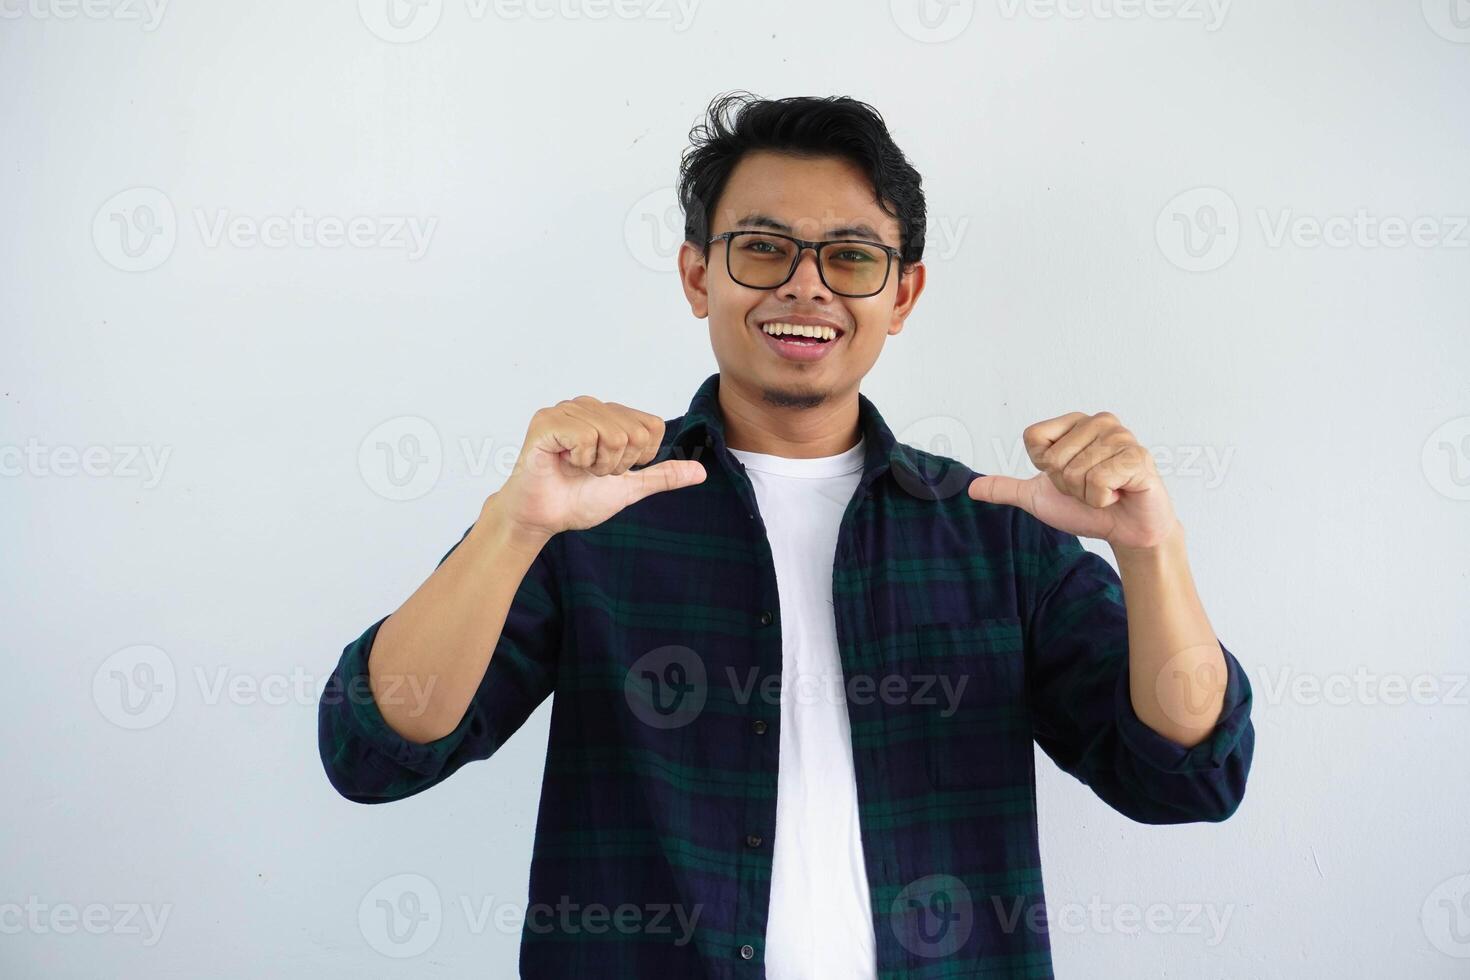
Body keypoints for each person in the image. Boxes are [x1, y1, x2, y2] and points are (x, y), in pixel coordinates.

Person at [318, 91, 1255, 979]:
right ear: (698, 275)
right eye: (763, 248)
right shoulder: (593, 515)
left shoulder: (992, 531)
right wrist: (510, 526)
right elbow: (375, 749)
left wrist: (1149, 552)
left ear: (904, 293)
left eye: (850, 257)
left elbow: (1186, 777)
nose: (805, 287)